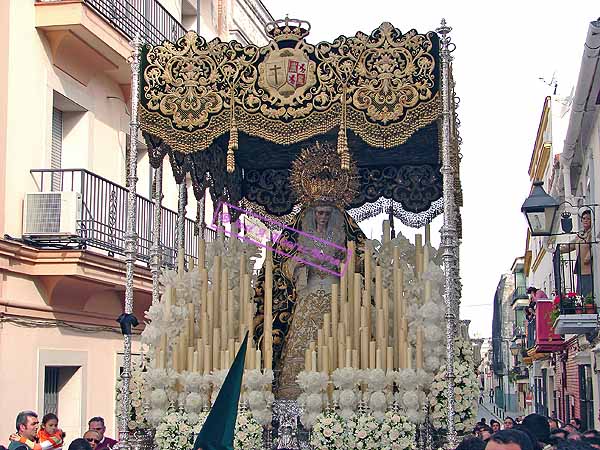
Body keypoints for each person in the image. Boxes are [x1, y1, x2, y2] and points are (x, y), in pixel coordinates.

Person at [562, 210, 594, 298]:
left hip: (588, 266)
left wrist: (588, 256)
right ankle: (583, 304)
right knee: (580, 290)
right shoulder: (580, 234)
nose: (586, 220)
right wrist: (558, 250)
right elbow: (571, 245)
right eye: (584, 218)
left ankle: (589, 304)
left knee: (588, 289)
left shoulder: (592, 233)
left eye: (588, 219)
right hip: (580, 267)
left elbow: (594, 247)